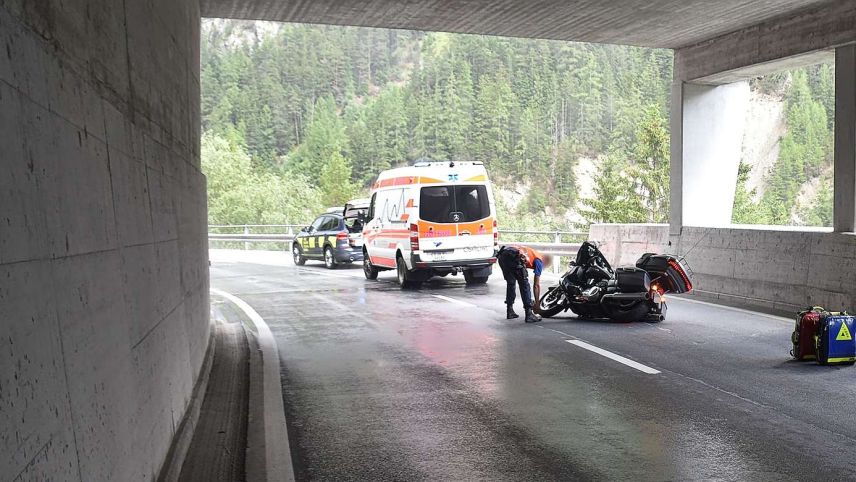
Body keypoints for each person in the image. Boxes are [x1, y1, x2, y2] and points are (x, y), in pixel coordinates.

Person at [497, 245, 552, 323]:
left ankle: (510, 311)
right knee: (524, 285)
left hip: (502, 255)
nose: (543, 268)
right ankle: (529, 314)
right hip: (514, 256)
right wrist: (537, 303)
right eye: (545, 266)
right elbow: (536, 285)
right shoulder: (539, 260)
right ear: (545, 260)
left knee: (511, 283)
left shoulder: (533, 254)